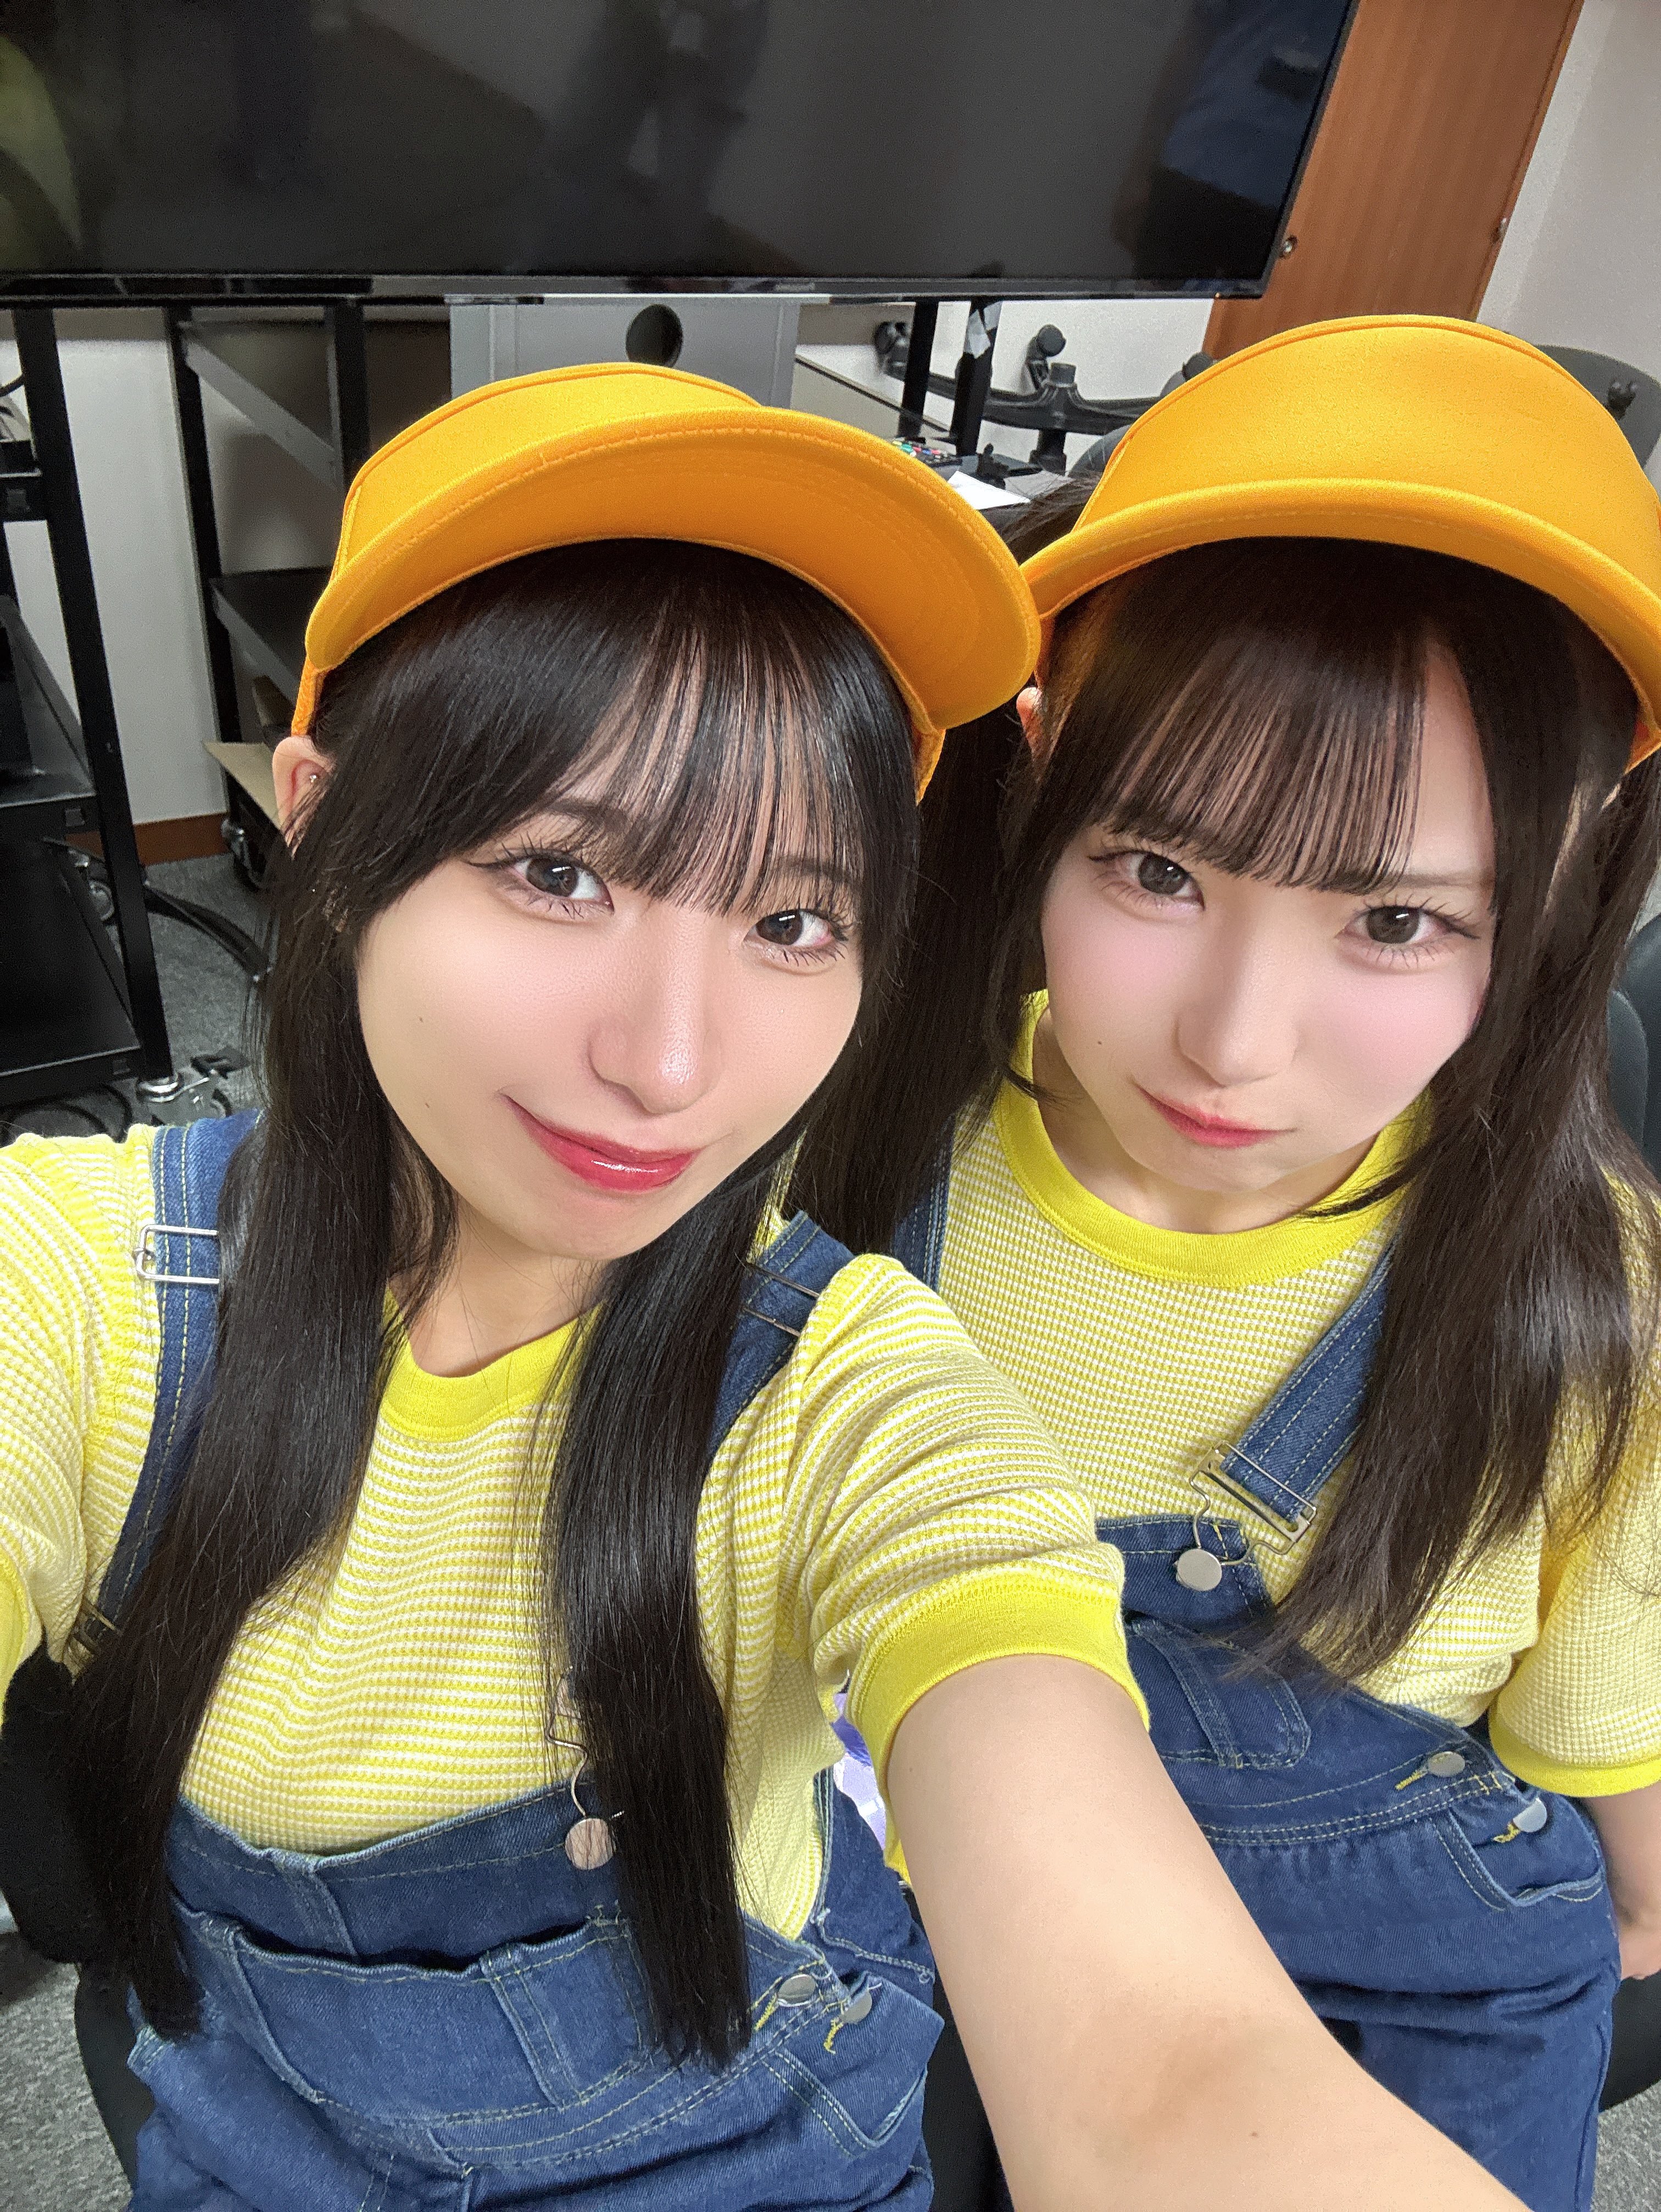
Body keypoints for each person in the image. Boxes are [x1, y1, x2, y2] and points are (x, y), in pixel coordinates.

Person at [0, 361, 1520, 2212]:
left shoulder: (851, 1386)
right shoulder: (80, 1285)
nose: (668, 1061)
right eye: (559, 871)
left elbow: (1166, 2069)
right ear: (316, 818)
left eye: (793, 919)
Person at [793, 315, 1661, 2212]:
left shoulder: (1584, 1294)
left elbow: (1625, 1824)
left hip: (1387, 2014)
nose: (1234, 1043)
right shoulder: (850, 1156)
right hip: (912, 1932)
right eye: (1160, 873)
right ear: (1043, 756)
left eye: (1395, 919)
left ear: (1570, 861)